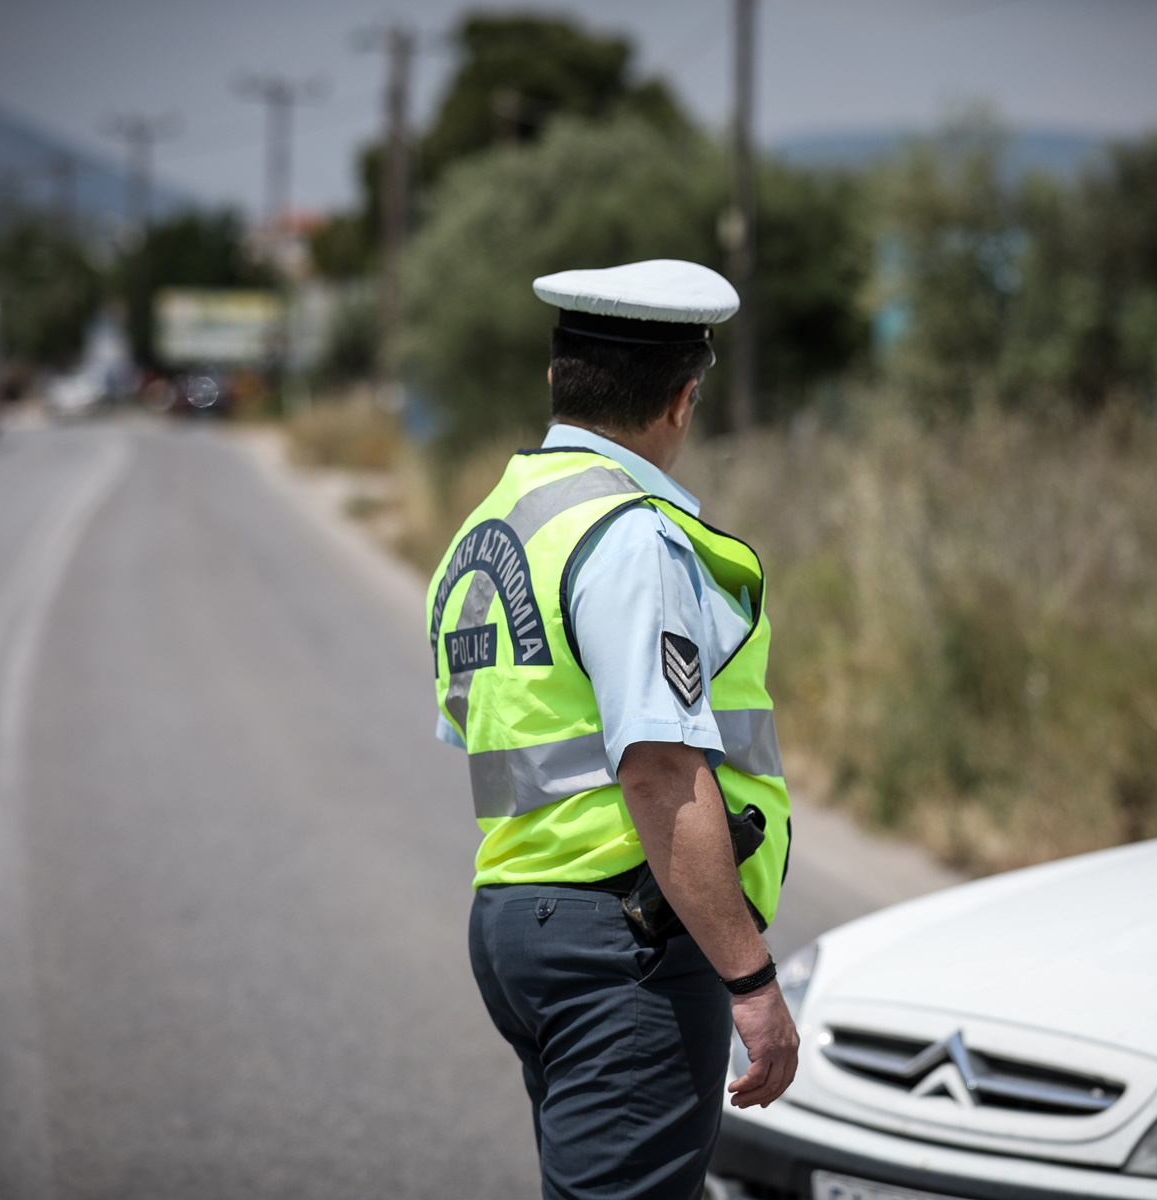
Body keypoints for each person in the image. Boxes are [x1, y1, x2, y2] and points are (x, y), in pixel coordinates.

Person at [426, 259, 798, 1200]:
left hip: (516, 920)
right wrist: (751, 985)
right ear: (683, 398)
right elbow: (662, 776)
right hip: (621, 938)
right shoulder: (632, 537)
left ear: (558, 379)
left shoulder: (491, 527)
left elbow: (486, 738)